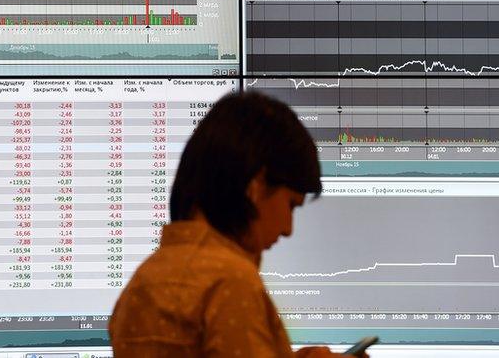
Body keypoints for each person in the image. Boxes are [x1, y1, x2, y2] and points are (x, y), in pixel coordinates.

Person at [109, 92, 364, 357]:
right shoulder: (231, 282)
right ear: (256, 184)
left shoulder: (144, 280)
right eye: (290, 204)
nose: (288, 229)